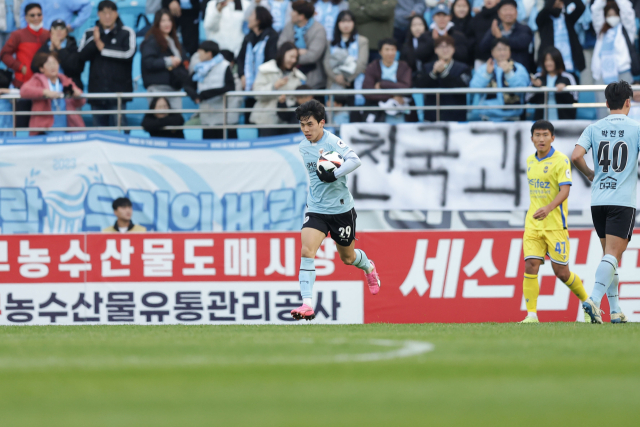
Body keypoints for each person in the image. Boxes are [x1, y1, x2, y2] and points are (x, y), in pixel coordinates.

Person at [290, 99, 380, 321]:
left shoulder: (333, 142)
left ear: (322, 123)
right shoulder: (303, 147)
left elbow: (355, 160)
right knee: (306, 252)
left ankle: (368, 266)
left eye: (310, 124)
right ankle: (307, 304)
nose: (305, 130)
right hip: (316, 208)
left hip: (341, 210)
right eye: (302, 125)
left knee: (348, 259)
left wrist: (335, 174)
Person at [571, 81, 637, 324]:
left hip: (598, 199)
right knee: (612, 255)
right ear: (628, 102)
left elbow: (576, 155)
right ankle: (594, 300)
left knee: (609, 257)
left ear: (607, 103)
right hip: (622, 200)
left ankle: (616, 310)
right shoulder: (636, 128)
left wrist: (590, 173)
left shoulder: (594, 127)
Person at [519, 120, 590, 323]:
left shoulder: (561, 160)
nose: (541, 139)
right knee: (531, 265)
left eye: (545, 135)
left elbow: (565, 190)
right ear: (532, 138)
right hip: (533, 224)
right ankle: (531, 315)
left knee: (562, 273)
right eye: (537, 135)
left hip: (555, 225)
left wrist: (548, 208)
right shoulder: (530, 161)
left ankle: (587, 302)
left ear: (553, 138)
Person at [78, 0, 136, 128]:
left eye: (111, 12)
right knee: (98, 132)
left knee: (121, 130)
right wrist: (95, 41)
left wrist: (103, 48)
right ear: (98, 14)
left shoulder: (127, 32)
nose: (107, 16)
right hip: (97, 92)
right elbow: (80, 57)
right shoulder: (90, 33)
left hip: (119, 93)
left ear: (116, 14)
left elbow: (128, 54)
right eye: (104, 13)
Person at [20, 52, 85, 136]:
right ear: (41, 69)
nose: (52, 66)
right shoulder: (37, 80)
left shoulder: (64, 80)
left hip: (66, 129)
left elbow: (81, 102)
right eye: (48, 64)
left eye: (54, 63)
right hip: (44, 131)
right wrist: (44, 92)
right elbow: (24, 90)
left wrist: (78, 95)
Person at [591, 0, 637, 117]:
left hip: (623, 73)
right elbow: (595, 10)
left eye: (615, 15)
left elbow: (628, 11)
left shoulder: (627, 29)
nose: (612, 18)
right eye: (609, 15)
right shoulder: (601, 30)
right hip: (602, 75)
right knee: (602, 110)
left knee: (624, 109)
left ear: (619, 15)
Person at [250, 41, 306, 135]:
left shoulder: (298, 76)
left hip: (287, 122)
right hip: (266, 121)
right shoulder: (266, 70)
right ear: (282, 54)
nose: (293, 60)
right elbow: (257, 94)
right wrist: (274, 86)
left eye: (295, 57)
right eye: (291, 56)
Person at [469, 37, 529, 121]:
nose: (502, 53)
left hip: (513, 118)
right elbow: (473, 88)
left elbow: (522, 89)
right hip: (488, 118)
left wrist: (509, 73)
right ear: (492, 52)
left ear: (510, 51)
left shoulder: (519, 68)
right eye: (499, 50)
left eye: (505, 49)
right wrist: (487, 74)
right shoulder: (484, 68)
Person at [415, 35, 471, 122]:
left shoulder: (463, 68)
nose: (445, 50)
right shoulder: (427, 67)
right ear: (435, 50)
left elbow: (463, 86)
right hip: (432, 118)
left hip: (456, 117)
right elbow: (419, 85)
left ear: (453, 49)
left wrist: (444, 73)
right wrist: (433, 73)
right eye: (441, 47)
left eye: (448, 46)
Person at [140, 9, 188, 110]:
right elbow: (148, 63)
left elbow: (184, 61)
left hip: (175, 88)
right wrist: (168, 61)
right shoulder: (151, 41)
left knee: (175, 122)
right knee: (160, 121)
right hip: (158, 88)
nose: (167, 23)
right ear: (157, 23)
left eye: (169, 20)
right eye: (163, 20)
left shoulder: (175, 42)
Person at [189, 41, 235, 140]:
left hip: (221, 113)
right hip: (205, 113)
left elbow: (230, 87)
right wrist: (195, 96)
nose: (198, 55)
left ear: (209, 53)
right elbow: (188, 84)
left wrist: (205, 94)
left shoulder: (224, 65)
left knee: (221, 142)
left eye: (200, 52)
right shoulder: (199, 67)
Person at [278, 0, 327, 89]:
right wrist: (299, 52)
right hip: (289, 79)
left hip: (313, 80)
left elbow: (312, 56)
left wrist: (290, 57)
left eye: (293, 12)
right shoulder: (289, 26)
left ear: (301, 16)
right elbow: (281, 46)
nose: (290, 13)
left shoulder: (319, 30)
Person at [363, 38, 413, 123]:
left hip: (400, 109)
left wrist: (383, 84)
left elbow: (406, 87)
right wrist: (393, 96)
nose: (390, 53)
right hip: (377, 110)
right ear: (380, 52)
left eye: (393, 49)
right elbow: (367, 91)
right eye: (387, 50)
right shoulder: (373, 66)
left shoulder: (403, 66)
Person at [0, 3, 48, 89]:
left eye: (39, 14)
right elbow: (4, 54)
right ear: (26, 18)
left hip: (44, 84)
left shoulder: (47, 34)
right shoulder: (18, 35)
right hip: (23, 83)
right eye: (32, 15)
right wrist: (20, 67)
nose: (36, 18)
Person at [323, 9, 369, 97]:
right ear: (338, 24)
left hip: (354, 82)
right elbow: (326, 63)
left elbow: (362, 63)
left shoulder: (362, 41)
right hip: (334, 82)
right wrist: (336, 77)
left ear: (354, 23)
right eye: (343, 21)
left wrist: (346, 79)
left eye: (349, 21)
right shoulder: (331, 42)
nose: (346, 24)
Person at [478, 0, 534, 71]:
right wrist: (492, 34)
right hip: (497, 71)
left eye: (511, 9)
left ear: (516, 12)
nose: (508, 13)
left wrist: (500, 37)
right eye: (505, 10)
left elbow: (522, 43)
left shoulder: (524, 28)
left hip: (517, 71)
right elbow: (482, 48)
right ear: (498, 13)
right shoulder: (495, 28)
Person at [535, 0, 586, 77]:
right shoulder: (544, 20)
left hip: (570, 65)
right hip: (549, 66)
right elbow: (544, 11)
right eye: (555, 4)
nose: (558, 6)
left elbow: (581, 7)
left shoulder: (568, 18)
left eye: (560, 3)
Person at [527, 47, 578, 120]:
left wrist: (564, 90)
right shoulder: (538, 77)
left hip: (563, 121)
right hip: (542, 123)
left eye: (551, 60)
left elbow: (575, 99)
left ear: (557, 61)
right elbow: (528, 99)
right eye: (546, 60)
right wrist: (536, 87)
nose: (548, 63)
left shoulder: (568, 77)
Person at [237, 6, 279, 91]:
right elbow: (240, 58)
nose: (248, 18)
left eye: (252, 15)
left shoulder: (272, 36)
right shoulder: (248, 38)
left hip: (264, 84)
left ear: (259, 20)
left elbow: (270, 60)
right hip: (247, 84)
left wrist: (258, 80)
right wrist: (242, 75)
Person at [33, 19, 83, 90]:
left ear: (66, 32)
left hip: (69, 89)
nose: (59, 31)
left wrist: (60, 49)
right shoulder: (45, 47)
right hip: (47, 89)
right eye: (55, 28)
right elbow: (34, 67)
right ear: (51, 33)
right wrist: (50, 50)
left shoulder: (73, 47)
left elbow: (74, 68)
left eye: (62, 28)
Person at [19, 0, 91, 31]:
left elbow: (86, 4)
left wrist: (74, 25)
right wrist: (25, 30)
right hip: (36, 38)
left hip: (58, 37)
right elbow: (22, 13)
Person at [469, 0, 500, 67]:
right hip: (479, 58)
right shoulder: (477, 17)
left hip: (497, 58)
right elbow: (471, 36)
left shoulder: (500, 17)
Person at [400, 15, 432, 80]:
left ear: (425, 26)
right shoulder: (405, 46)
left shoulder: (431, 43)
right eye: (414, 25)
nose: (417, 28)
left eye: (420, 25)